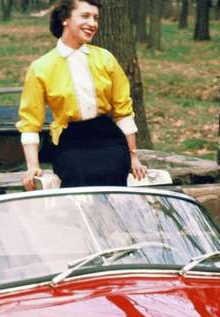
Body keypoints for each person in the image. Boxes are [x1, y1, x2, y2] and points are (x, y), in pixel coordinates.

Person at [15, 0, 148, 190]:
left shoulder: (106, 59)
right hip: (71, 141)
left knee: (115, 182)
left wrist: (133, 156)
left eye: (96, 18)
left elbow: (123, 111)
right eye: (85, 16)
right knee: (80, 182)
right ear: (65, 19)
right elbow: (30, 123)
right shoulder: (41, 68)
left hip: (109, 138)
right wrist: (32, 166)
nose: (93, 23)